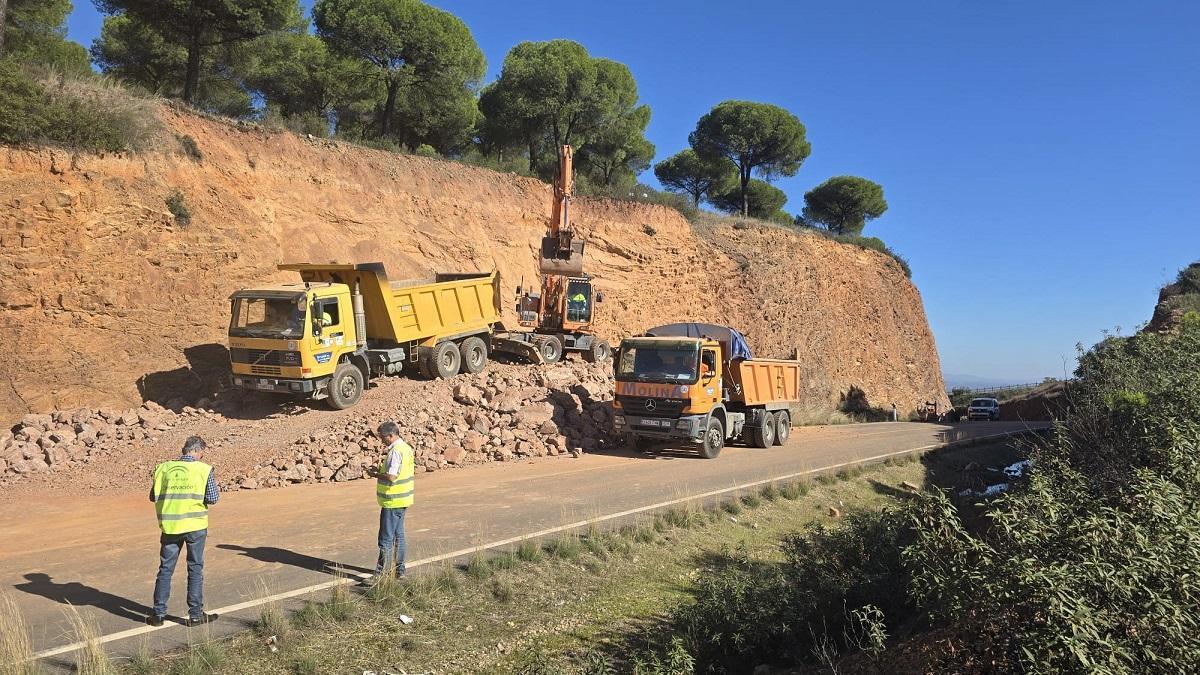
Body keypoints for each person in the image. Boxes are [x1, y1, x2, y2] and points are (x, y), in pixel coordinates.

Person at [147, 436, 219, 627]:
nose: (202, 456)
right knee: (195, 568)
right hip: (195, 527)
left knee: (165, 570)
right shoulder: (203, 470)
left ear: (184, 450)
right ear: (197, 451)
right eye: (202, 453)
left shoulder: (163, 468)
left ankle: (158, 615)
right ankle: (195, 615)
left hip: (171, 527)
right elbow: (213, 498)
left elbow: (153, 496)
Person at [370, 421, 414, 582]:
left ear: (391, 435)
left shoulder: (396, 451)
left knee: (385, 539)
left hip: (392, 501)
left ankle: (380, 574)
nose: (381, 440)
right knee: (399, 536)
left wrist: (375, 474)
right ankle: (400, 571)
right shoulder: (406, 448)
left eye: (382, 437)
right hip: (403, 499)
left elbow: (391, 477)